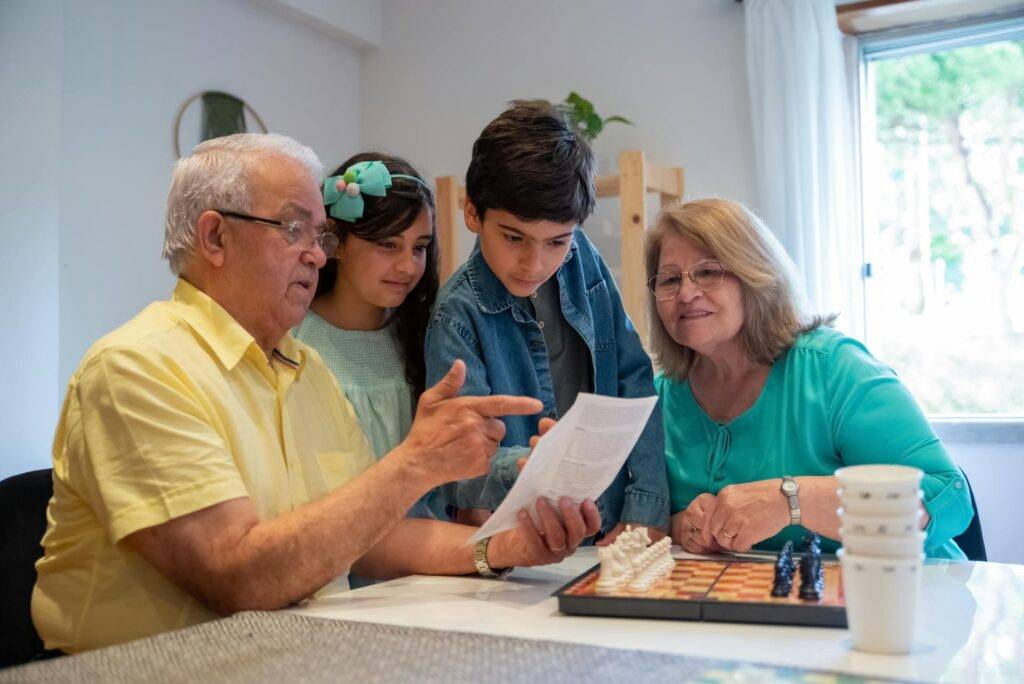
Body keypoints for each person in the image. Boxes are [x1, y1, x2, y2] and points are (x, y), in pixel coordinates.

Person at [32, 133, 600, 654]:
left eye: (320, 233)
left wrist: (505, 547)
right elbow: (238, 577)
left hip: (291, 654)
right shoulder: (137, 367)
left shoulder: (303, 369)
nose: (318, 253)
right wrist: (414, 464)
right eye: (293, 228)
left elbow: (371, 538)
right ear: (214, 236)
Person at [645, 198, 972, 559]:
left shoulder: (834, 368)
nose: (687, 293)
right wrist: (685, 526)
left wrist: (789, 500)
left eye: (708, 272)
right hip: (763, 605)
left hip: (905, 595)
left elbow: (949, 499)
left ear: (755, 273)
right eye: (670, 279)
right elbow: (651, 521)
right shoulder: (661, 397)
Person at [424, 100, 669, 542]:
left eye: (556, 241)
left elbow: (633, 379)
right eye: (514, 237)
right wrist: (529, 465)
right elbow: (462, 457)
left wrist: (646, 508)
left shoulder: (583, 259)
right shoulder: (457, 315)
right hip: (517, 537)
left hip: (610, 527)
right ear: (472, 212)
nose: (534, 263)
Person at [293, 152, 441, 519]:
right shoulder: (292, 342)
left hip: (429, 556)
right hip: (334, 555)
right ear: (335, 242)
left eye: (419, 247)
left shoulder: (425, 337)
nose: (408, 266)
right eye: (388, 244)